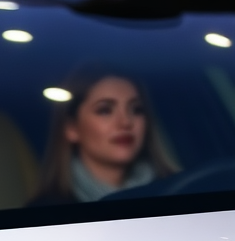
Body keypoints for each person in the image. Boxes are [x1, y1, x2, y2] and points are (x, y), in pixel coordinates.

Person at [34, 67, 176, 204]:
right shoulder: (47, 210)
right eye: (105, 110)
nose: (126, 122)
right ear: (72, 128)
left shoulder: (177, 189)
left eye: (136, 109)